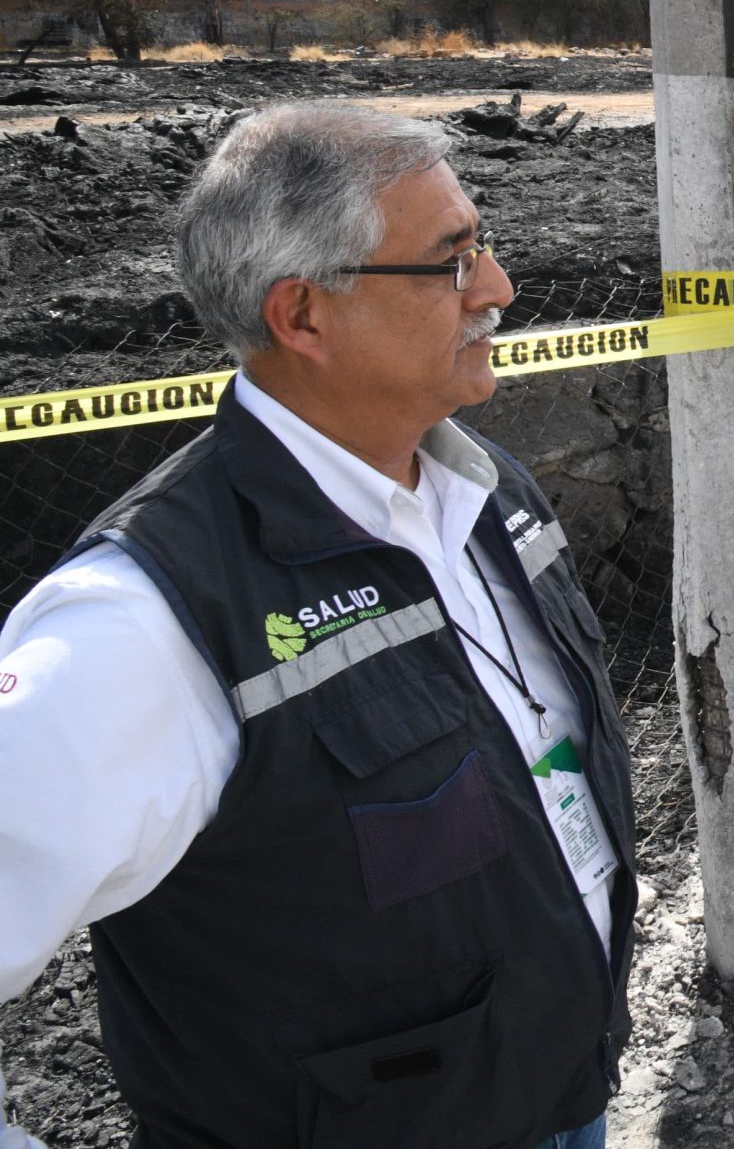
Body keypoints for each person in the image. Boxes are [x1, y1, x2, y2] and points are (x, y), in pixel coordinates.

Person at [0, 105, 633, 1149]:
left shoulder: (487, 490)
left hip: (560, 1097)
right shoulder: (140, 626)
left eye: (485, 246)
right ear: (302, 316)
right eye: (452, 262)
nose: (499, 290)